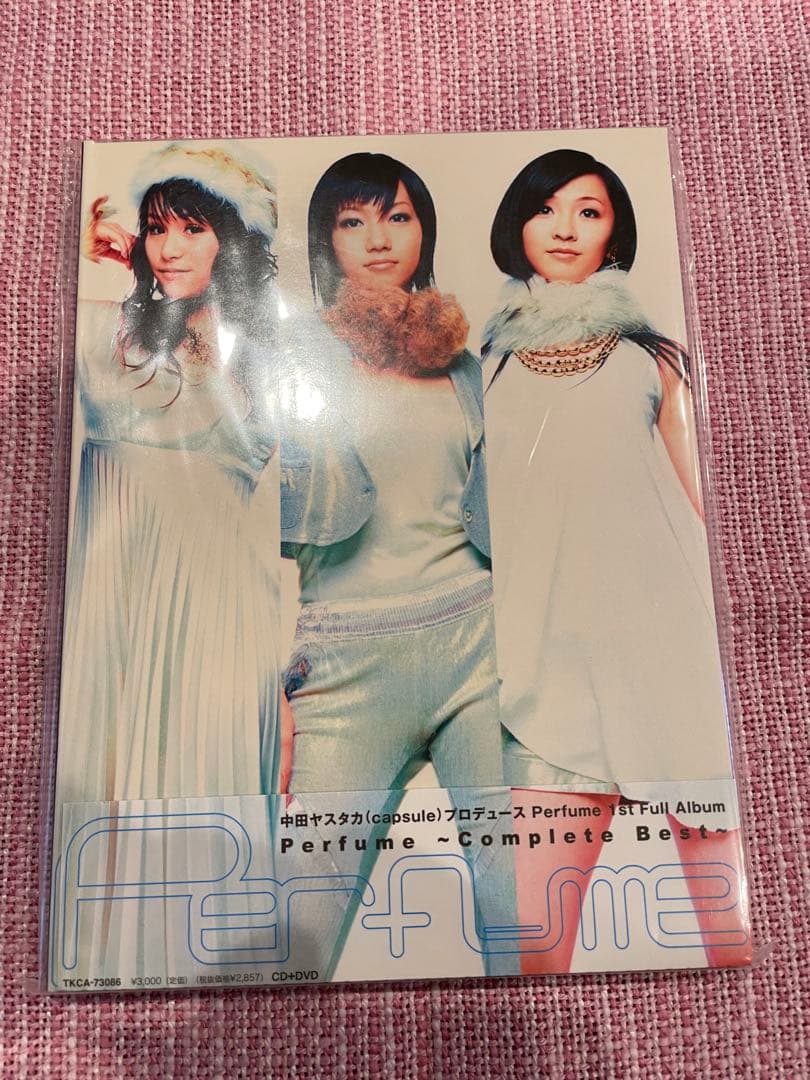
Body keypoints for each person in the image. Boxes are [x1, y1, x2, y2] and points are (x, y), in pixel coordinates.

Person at [482, 148, 737, 971]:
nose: (564, 227)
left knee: (737, 936)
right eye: (546, 207)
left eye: (588, 212)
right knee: (532, 947)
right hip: (538, 674)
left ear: (614, 235)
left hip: (670, 665)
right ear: (517, 225)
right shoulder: (480, 367)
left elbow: (720, 515)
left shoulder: (655, 360)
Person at [277, 152, 514, 978]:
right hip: (344, 660)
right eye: (354, 221)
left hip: (478, 643)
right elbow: (241, 533)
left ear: (424, 232)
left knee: (519, 912)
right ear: (327, 241)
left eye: (399, 217)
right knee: (298, 937)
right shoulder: (292, 363)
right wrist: (265, 688)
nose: (379, 240)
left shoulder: (465, 366)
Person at [55, 142, 281, 807]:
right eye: (156, 229)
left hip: (214, 621)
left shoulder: (264, 364)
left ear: (232, 241)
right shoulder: (110, 334)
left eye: (193, 228)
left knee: (194, 799)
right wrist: (69, 257)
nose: (169, 249)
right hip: (108, 609)